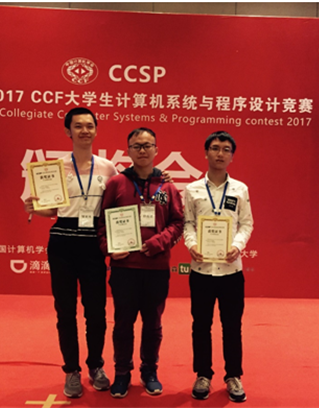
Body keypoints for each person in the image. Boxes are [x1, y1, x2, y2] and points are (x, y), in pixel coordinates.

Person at [23, 107, 115, 398]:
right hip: (62, 242)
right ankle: (71, 370)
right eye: (78, 126)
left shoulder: (108, 168)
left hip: (93, 244)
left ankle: (96, 366)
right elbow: (50, 209)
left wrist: (160, 179)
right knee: (65, 310)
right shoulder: (54, 168)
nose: (84, 131)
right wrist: (34, 207)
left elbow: (121, 201)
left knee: (96, 311)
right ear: (68, 131)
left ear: (96, 130)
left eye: (89, 126)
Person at [97, 127, 184, 399]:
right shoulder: (116, 183)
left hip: (156, 268)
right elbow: (101, 222)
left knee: (153, 324)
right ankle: (122, 372)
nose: (142, 150)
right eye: (137, 146)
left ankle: (149, 371)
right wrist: (109, 248)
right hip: (124, 269)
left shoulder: (167, 186)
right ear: (129, 151)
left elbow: (178, 223)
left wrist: (158, 242)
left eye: (147, 145)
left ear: (156, 150)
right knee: (123, 324)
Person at [183, 130, 254, 403]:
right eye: (215, 148)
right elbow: (188, 223)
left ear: (232, 156)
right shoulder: (192, 189)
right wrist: (192, 244)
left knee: (232, 325)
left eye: (226, 149)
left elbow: (246, 223)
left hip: (231, 270)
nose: (220, 153)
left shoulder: (240, 189)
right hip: (201, 270)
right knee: (201, 325)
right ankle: (203, 374)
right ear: (206, 153)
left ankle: (233, 375)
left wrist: (237, 245)